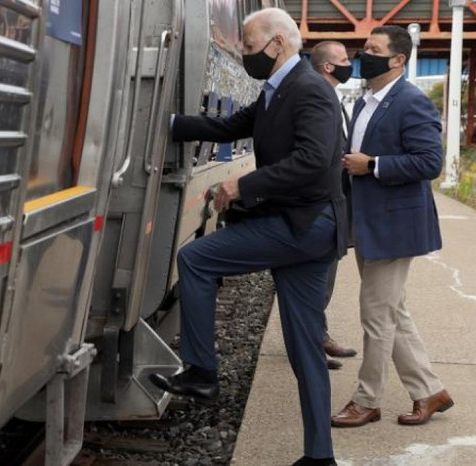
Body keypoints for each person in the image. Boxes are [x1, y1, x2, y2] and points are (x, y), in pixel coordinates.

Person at [147, 8, 347, 466]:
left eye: (251, 47)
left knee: (197, 259)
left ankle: (201, 371)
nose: (245, 55)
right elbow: (228, 126)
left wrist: (242, 184)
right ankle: (320, 456)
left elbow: (314, 160)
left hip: (306, 225)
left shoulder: (310, 90)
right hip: (307, 227)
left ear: (278, 44)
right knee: (304, 346)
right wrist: (170, 124)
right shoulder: (278, 90)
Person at [331, 25, 453, 428]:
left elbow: (429, 162)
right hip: (368, 223)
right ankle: (429, 391)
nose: (365, 54)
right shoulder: (365, 102)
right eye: (365, 47)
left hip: (395, 228)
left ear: (398, 59)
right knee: (392, 313)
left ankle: (367, 401)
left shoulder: (411, 102)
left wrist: (374, 165)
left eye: (373, 49)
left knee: (376, 316)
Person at [310, 41, 359, 371]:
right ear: (328, 66)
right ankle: (310, 344)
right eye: (343, 60)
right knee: (314, 278)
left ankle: (319, 335)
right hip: (318, 205)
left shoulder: (335, 97)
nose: (349, 64)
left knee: (326, 276)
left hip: (337, 203)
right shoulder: (316, 96)